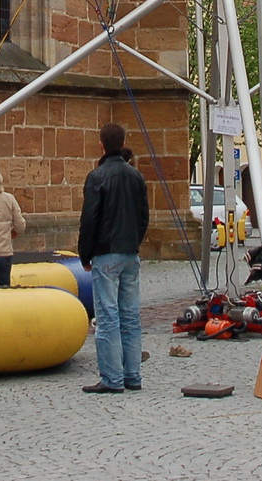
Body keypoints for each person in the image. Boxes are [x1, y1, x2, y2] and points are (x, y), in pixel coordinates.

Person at [77, 123, 150, 395]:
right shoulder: (136, 177)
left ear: (101, 145)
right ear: (123, 142)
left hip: (106, 252)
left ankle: (112, 378)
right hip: (130, 252)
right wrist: (134, 242)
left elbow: (90, 220)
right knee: (130, 316)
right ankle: (133, 375)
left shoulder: (97, 177)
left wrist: (85, 253)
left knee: (107, 316)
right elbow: (144, 217)